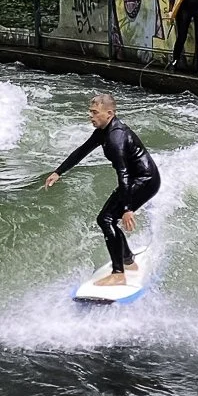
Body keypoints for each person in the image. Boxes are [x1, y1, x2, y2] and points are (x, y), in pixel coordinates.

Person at [44, 91, 161, 288]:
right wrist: (59, 172)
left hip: (145, 180)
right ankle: (128, 261)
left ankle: (119, 274)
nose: (90, 116)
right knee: (106, 219)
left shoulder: (116, 137)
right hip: (136, 178)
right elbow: (83, 150)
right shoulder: (103, 131)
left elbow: (123, 174)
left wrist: (127, 208)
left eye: (94, 112)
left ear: (109, 113)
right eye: (90, 112)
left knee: (106, 219)